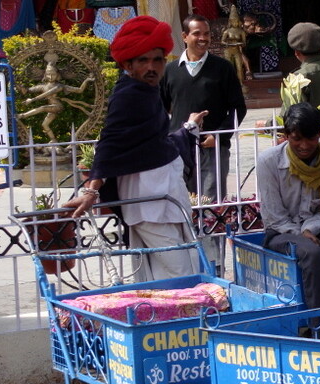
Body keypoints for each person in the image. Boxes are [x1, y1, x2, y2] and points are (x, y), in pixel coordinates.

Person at [63, 15, 209, 282]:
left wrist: (188, 128)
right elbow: (111, 142)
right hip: (149, 204)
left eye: (157, 60)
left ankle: (161, 321)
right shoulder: (129, 95)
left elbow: (154, 144)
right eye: (143, 60)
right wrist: (91, 190)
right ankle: (183, 321)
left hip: (160, 200)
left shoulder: (146, 91)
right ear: (128, 64)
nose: (152, 67)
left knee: (153, 277)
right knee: (182, 274)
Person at [160, 14, 247, 276]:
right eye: (197, 34)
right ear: (184, 37)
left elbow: (237, 109)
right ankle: (186, 263)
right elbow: (161, 108)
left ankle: (214, 266)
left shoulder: (222, 68)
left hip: (213, 149)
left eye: (207, 33)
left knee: (210, 205)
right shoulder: (171, 70)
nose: (203, 39)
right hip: (179, 152)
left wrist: (219, 134)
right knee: (181, 204)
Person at [256, 102, 320, 314]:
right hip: (281, 232)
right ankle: (317, 324)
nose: (304, 145)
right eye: (297, 139)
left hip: (319, 226)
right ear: (286, 136)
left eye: (311, 139)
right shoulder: (268, 161)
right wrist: (300, 234)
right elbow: (275, 217)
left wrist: (309, 230)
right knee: (312, 253)